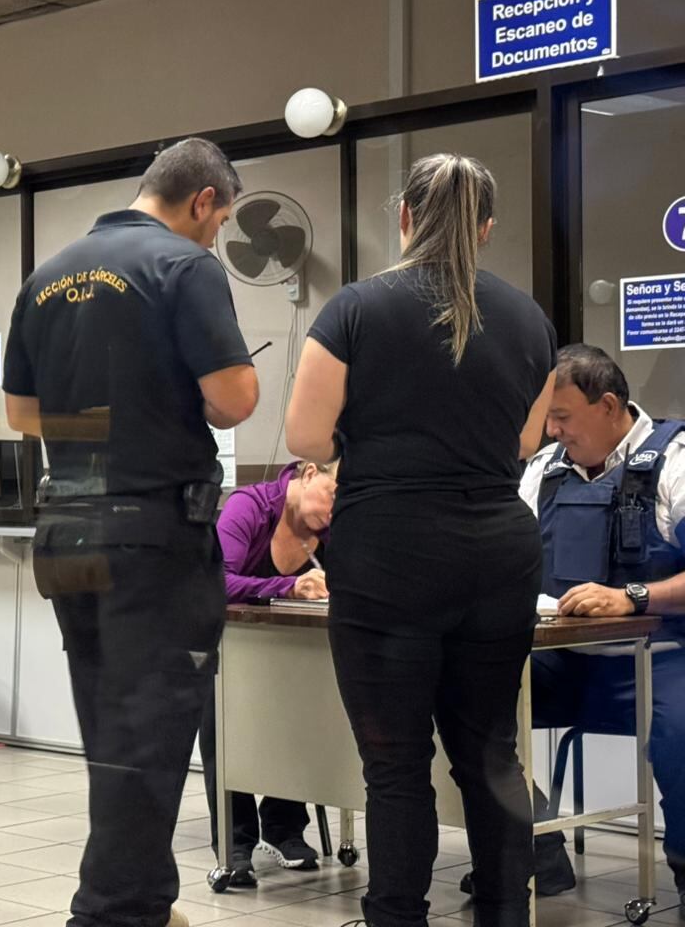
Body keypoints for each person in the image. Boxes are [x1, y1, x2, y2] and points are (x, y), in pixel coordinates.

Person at [284, 153, 556, 927]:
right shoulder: (531, 319)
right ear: (487, 228)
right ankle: (507, 914)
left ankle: (397, 917)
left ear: (402, 217)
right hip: (500, 554)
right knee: (490, 754)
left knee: (396, 767)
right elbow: (526, 443)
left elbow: (306, 433)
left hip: (388, 556)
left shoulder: (357, 309)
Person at [3, 137, 259, 927]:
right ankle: (109, 913)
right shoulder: (185, 268)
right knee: (151, 735)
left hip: (67, 528)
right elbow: (236, 399)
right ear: (203, 202)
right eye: (219, 222)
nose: (216, 237)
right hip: (151, 535)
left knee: (112, 731)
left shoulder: (46, 275)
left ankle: (142, 900)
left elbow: (19, 415)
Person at [481, 343, 683, 916]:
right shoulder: (544, 471)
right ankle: (536, 849)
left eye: (562, 416)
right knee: (460, 702)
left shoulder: (674, 461)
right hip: (563, 660)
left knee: (684, 733)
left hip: (661, 656)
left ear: (610, 404)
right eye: (547, 416)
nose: (551, 429)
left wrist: (632, 597)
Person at [199, 460, 335, 882]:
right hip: (229, 645)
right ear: (309, 473)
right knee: (222, 720)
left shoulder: (329, 531)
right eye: (334, 493)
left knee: (302, 712)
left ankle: (284, 825)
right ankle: (235, 839)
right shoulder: (249, 508)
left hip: (290, 652)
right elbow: (215, 582)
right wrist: (286, 586)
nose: (334, 511)